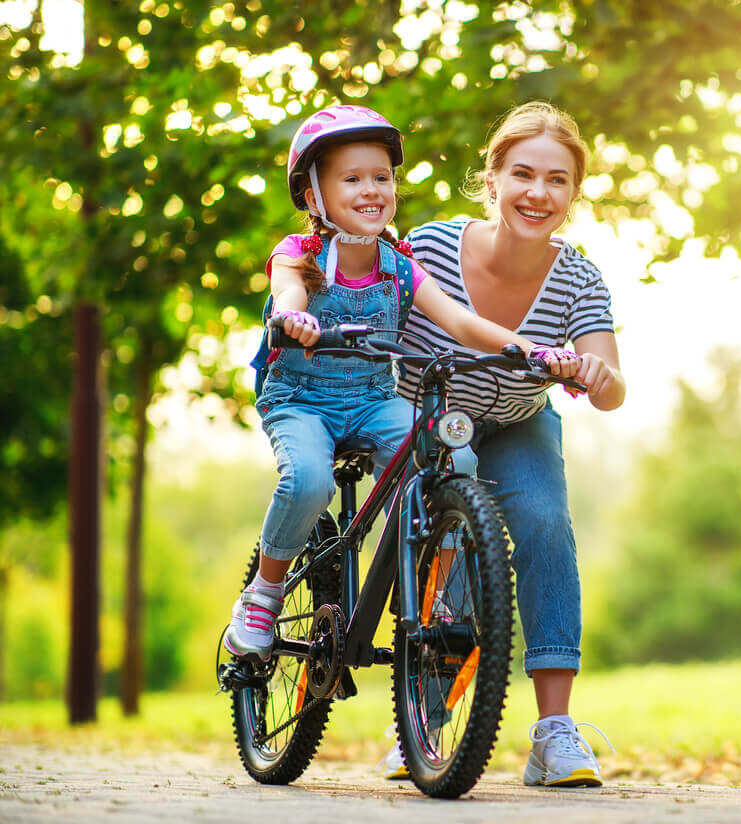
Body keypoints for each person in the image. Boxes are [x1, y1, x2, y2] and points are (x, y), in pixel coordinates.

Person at [223, 104, 579, 663]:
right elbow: (289, 294)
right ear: (315, 197)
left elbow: (461, 321)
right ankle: (265, 592)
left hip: (371, 400)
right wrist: (295, 320)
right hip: (302, 402)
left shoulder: (401, 264)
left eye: (382, 178)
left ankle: (421, 567)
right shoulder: (298, 256)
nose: (372, 190)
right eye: (352, 179)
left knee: (450, 461)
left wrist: (531, 350)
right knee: (309, 482)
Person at [388, 101, 626, 788]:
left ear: (573, 195)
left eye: (557, 181)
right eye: (522, 174)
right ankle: (422, 722)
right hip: (427, 416)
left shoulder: (577, 276)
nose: (538, 193)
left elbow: (610, 387)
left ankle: (555, 733)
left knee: (547, 524)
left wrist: (597, 372)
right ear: (490, 180)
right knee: (453, 539)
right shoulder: (431, 247)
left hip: (520, 420)